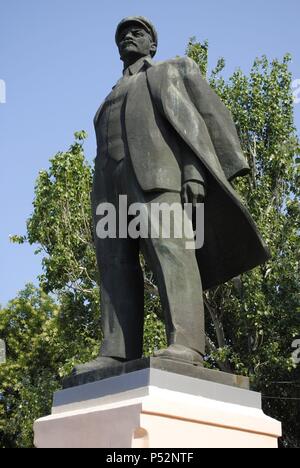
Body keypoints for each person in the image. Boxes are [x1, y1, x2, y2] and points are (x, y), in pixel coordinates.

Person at [73, 16, 269, 375]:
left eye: (138, 32)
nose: (129, 37)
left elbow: (193, 122)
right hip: (109, 187)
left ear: (152, 44)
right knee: (114, 266)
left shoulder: (169, 71)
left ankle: (187, 344)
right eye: (122, 35)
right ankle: (116, 351)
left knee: (171, 252)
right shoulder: (108, 97)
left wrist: (194, 172)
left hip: (158, 176)